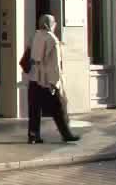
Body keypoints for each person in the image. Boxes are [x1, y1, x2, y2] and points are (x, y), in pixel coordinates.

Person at [27, 14, 80, 144]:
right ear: (50, 24)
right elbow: (55, 64)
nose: (55, 25)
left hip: (34, 78)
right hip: (47, 80)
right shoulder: (52, 39)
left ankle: (33, 135)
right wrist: (54, 82)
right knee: (59, 106)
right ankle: (66, 134)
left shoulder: (35, 36)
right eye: (54, 23)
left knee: (34, 108)